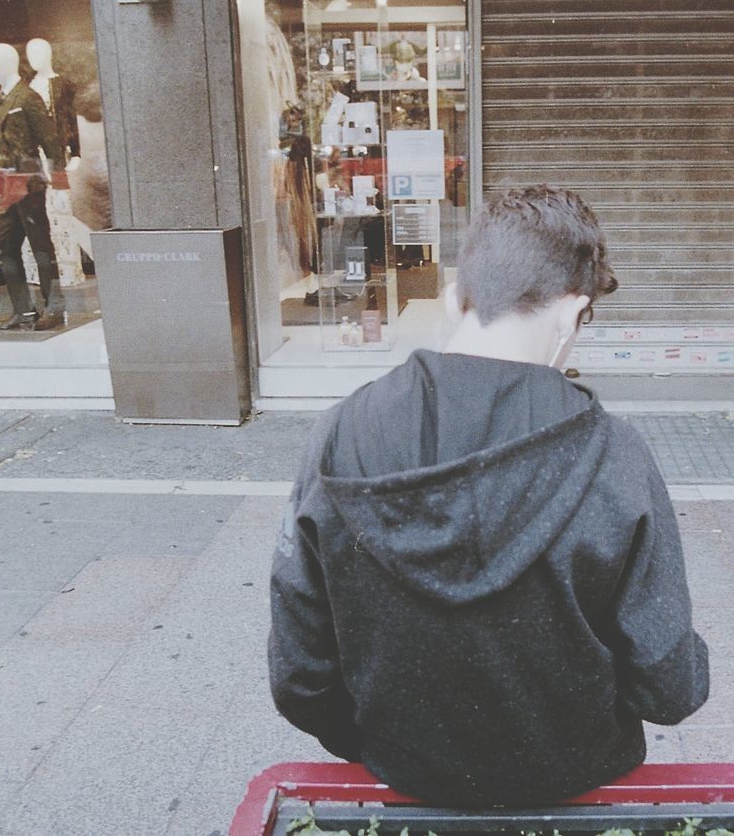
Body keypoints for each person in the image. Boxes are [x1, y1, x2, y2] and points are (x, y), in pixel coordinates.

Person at [268, 185, 709, 806]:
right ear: (570, 311)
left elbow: (299, 671)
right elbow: (669, 686)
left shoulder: (339, 433)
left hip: (402, 771)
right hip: (575, 780)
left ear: (455, 297)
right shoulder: (615, 455)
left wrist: (374, 743)